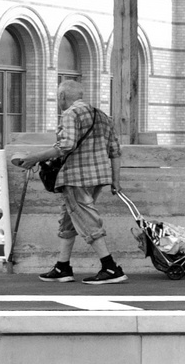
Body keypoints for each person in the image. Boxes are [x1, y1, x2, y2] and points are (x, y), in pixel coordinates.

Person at [9, 79, 126, 284]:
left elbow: (67, 145)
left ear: (63, 96)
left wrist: (35, 158)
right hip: (98, 177)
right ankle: (62, 267)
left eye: (57, 97)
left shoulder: (71, 113)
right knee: (68, 219)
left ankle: (110, 267)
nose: (58, 101)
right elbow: (115, 152)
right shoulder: (103, 116)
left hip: (76, 176)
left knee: (86, 219)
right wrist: (116, 181)